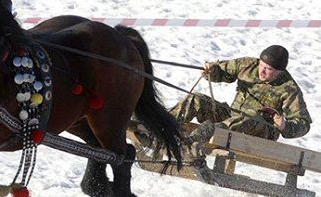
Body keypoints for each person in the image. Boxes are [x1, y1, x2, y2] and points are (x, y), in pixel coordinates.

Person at [129, 45, 312, 150]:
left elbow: (303, 124)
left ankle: (187, 145)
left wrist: (285, 126)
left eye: (269, 70)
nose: (262, 71)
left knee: (247, 119)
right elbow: (222, 71)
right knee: (197, 100)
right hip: (232, 117)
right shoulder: (249, 65)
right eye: (262, 65)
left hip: (262, 129)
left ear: (280, 72)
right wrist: (212, 71)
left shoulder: (289, 89)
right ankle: (157, 126)